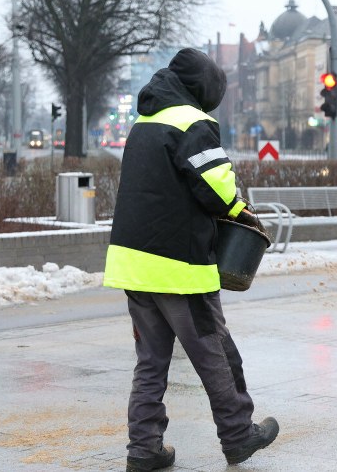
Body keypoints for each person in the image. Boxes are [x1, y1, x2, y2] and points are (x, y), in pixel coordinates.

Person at [103, 48, 278, 472]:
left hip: (133, 264)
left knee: (150, 362)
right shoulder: (191, 122)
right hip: (178, 265)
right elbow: (215, 187)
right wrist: (240, 211)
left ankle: (144, 449)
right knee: (213, 352)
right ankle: (238, 435)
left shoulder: (144, 122)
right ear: (204, 90)